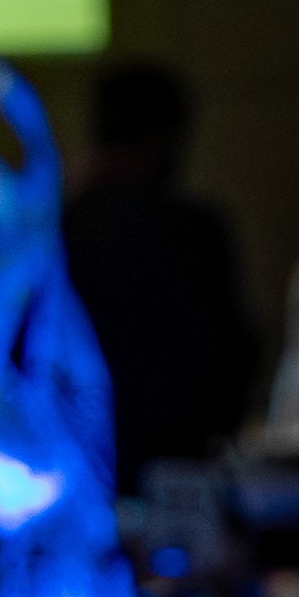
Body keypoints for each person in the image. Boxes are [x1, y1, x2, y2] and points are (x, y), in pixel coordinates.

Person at [60, 60, 259, 466]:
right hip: (183, 467)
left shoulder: (58, 230)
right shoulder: (195, 230)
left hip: (78, 468)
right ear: (164, 138)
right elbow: (229, 358)